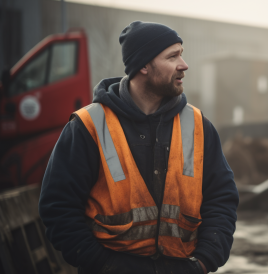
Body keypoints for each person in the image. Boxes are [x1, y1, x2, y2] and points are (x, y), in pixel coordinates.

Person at [39, 21, 239, 274]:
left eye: (182, 53)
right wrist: (103, 264)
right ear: (143, 65)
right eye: (173, 56)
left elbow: (221, 199)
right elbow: (58, 206)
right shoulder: (87, 126)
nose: (184, 64)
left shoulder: (199, 126)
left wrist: (204, 262)